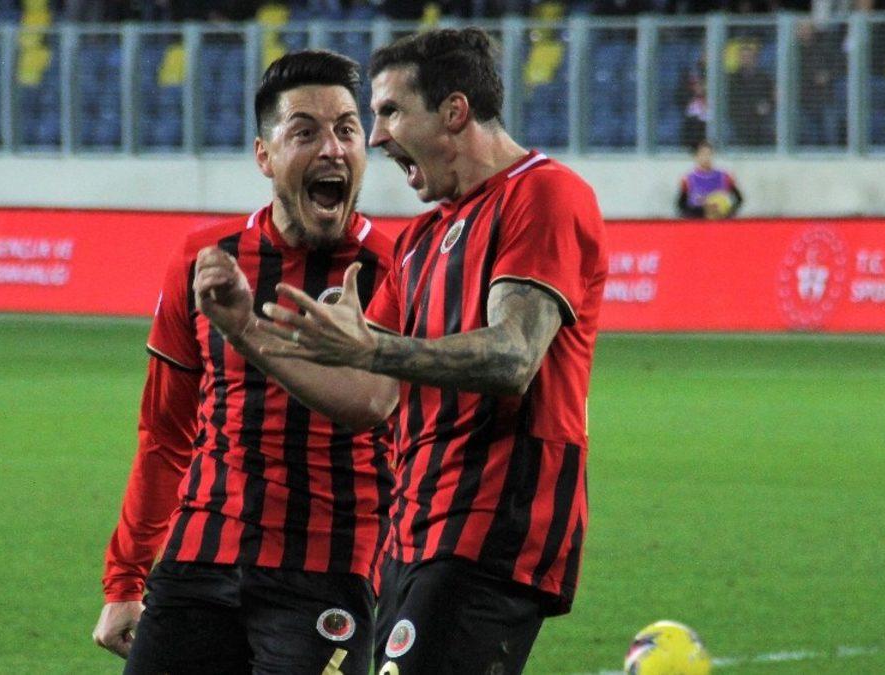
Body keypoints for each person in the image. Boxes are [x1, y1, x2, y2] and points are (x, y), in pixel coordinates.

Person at [196, 27, 607, 675]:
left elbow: (512, 357)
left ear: (454, 111)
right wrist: (245, 329)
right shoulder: (419, 240)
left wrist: (373, 348)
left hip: (494, 523)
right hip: (412, 533)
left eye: (389, 111)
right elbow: (368, 398)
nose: (377, 135)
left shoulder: (543, 194)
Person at [93, 49, 396, 675]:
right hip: (199, 557)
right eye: (305, 132)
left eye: (346, 129)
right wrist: (126, 577)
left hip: (330, 566)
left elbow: (396, 423)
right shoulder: (204, 261)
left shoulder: (397, 269)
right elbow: (165, 433)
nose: (333, 148)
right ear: (264, 156)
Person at [677, 139, 744, 218]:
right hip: (698, 220)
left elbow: (739, 199)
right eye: (702, 154)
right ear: (696, 157)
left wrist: (728, 213)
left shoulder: (725, 176)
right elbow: (681, 205)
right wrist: (701, 212)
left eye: (709, 154)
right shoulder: (688, 179)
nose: (706, 158)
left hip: (721, 220)